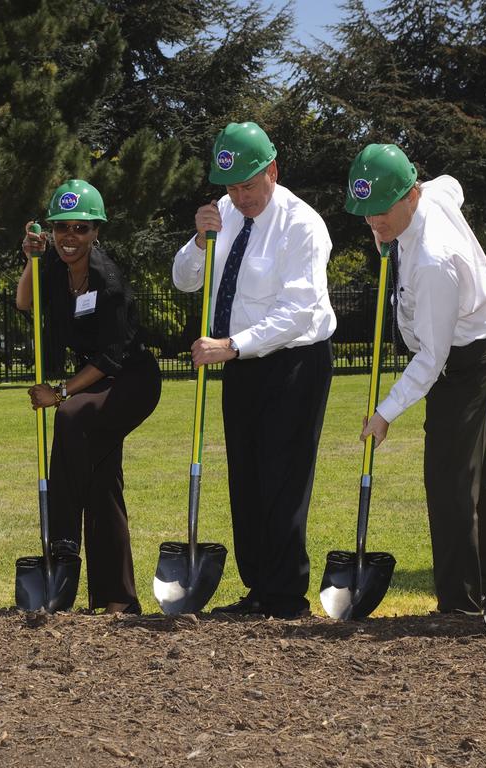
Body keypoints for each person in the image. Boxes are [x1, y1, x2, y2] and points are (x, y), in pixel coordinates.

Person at [171, 121, 335, 619]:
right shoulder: (222, 214)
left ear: (273, 172)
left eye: (248, 185)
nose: (239, 197)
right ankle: (258, 588)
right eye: (231, 187)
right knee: (246, 478)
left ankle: (285, 595)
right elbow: (183, 280)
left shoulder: (302, 225)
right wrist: (199, 242)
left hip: (294, 362)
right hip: (239, 362)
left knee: (282, 478)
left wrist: (232, 345)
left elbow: (298, 312)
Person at [346, 144, 486, 614]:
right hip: (466, 350)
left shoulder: (433, 261)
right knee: (478, 476)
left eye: (382, 211)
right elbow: (452, 186)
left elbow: (432, 357)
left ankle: (459, 604)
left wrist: (385, 413)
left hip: (461, 362)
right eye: (366, 213)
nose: (373, 222)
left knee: (450, 482)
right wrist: (388, 233)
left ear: (410, 196)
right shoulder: (432, 196)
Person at [15, 180, 162, 614]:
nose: (70, 237)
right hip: (95, 379)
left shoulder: (108, 281)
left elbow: (111, 357)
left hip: (131, 380)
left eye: (81, 228)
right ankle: (118, 599)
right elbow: (24, 302)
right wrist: (31, 260)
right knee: (101, 479)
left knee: (71, 416)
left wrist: (60, 392)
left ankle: (63, 541)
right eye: (62, 227)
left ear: (96, 231)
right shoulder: (54, 267)